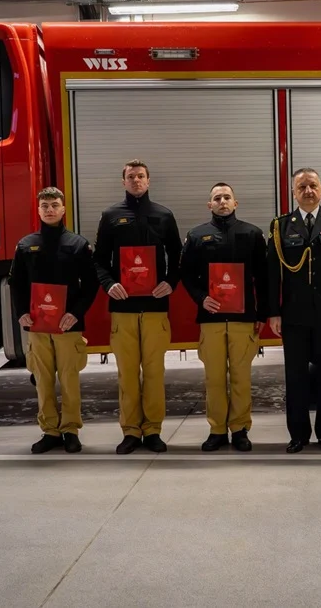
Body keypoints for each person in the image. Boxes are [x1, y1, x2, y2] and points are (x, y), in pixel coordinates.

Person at [94, 159, 182, 455]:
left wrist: (170, 282)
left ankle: (153, 430)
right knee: (127, 374)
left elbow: (178, 256)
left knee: (154, 373)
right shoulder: (110, 216)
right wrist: (109, 284)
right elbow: (99, 260)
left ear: (148, 180)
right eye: (131, 176)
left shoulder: (164, 215)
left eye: (140, 176)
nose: (136, 180)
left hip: (156, 308)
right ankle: (131, 431)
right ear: (123, 182)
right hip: (123, 310)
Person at [266, 168, 321, 454]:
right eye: (302, 187)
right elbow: (272, 274)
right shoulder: (281, 226)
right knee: (296, 378)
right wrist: (273, 312)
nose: (308, 191)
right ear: (293, 192)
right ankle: (298, 435)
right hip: (294, 316)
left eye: (313, 186)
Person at [7, 187, 100, 454]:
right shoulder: (25, 245)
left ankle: (70, 430)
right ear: (38, 210)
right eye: (45, 206)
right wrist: (21, 313)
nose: (50, 210)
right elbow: (16, 283)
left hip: (68, 325)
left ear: (63, 209)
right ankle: (50, 431)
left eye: (54, 205)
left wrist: (76, 313)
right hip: (38, 326)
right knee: (43, 379)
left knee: (69, 380)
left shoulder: (78, 244)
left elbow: (91, 284)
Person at [180, 183, 269, 452]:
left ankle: (240, 429)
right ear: (209, 204)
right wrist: (200, 298)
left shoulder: (252, 234)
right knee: (215, 379)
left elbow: (264, 277)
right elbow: (186, 274)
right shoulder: (197, 236)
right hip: (212, 319)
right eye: (217, 198)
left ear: (235, 203)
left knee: (241, 378)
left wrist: (262, 313)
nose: (222, 201)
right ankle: (217, 430)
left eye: (227, 197)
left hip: (243, 319)